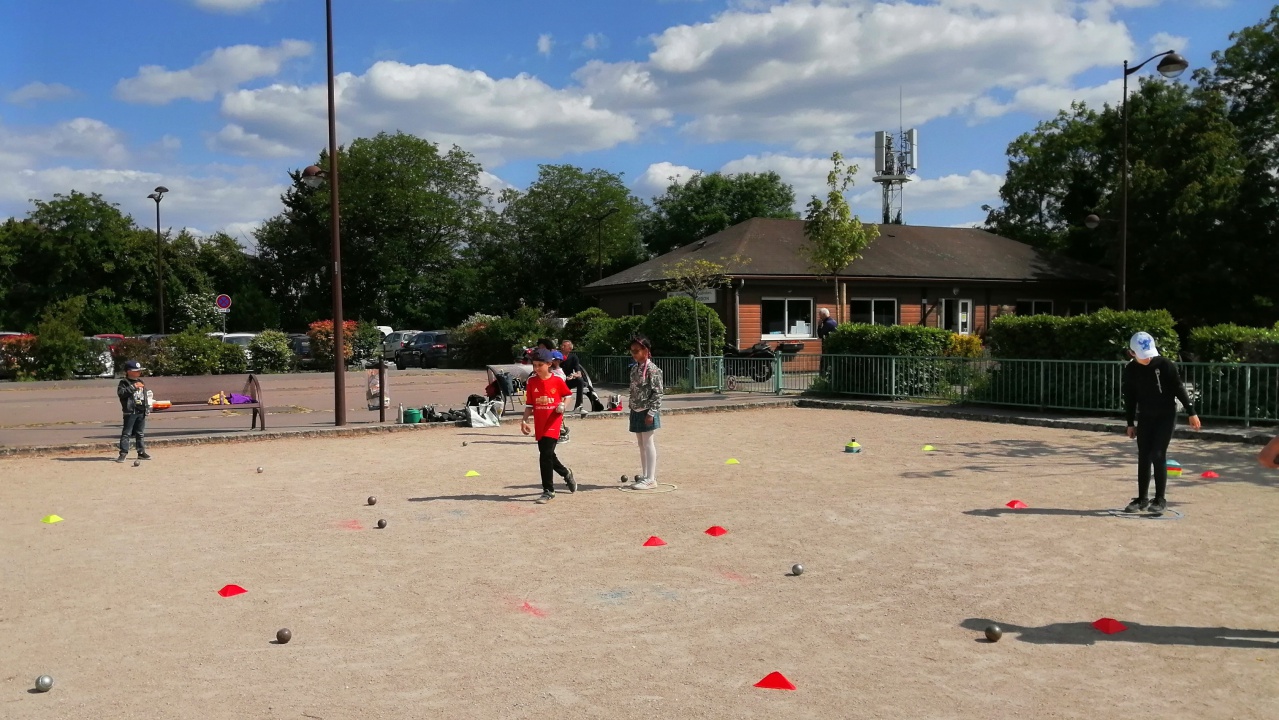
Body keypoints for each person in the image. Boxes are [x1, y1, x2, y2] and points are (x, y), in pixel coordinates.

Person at [1122, 331, 1201, 513]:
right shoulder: (1131, 370)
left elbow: (1178, 388)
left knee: (1157, 454)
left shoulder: (1165, 365)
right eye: (1142, 356)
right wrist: (1130, 423)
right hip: (1145, 416)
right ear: (1131, 353)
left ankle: (1160, 499)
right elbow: (1130, 398)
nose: (1147, 359)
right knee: (1143, 455)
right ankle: (1142, 499)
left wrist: (1192, 412)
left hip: (1165, 415)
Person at [521, 348, 576, 504]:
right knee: (548, 455)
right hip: (540, 422)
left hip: (554, 421)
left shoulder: (557, 380)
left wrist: (563, 406)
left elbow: (568, 396)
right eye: (534, 365)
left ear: (549, 364)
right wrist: (524, 420)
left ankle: (548, 490)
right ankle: (566, 473)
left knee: (545, 455)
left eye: (540, 365)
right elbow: (530, 404)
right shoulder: (531, 382)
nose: (537, 368)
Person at [624, 334, 664, 490]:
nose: (634, 354)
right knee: (641, 444)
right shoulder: (635, 368)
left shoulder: (653, 370)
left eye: (637, 351)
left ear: (646, 350)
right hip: (636, 409)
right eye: (632, 351)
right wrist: (632, 403)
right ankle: (645, 474)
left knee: (648, 443)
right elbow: (633, 388)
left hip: (647, 410)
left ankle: (651, 478)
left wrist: (651, 413)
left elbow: (658, 392)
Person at [116, 360, 151, 462]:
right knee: (126, 433)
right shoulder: (123, 382)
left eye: (139, 371)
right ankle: (123, 453)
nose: (139, 373)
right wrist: (132, 387)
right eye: (136, 371)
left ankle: (141, 452)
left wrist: (147, 407)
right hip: (130, 411)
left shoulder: (141, 381)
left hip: (141, 410)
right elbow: (121, 393)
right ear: (129, 371)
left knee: (140, 433)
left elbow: (144, 395)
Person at [560, 339, 604, 412]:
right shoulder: (557, 356)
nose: (562, 347)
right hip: (558, 380)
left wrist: (573, 376)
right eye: (562, 345)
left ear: (570, 348)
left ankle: (578, 405)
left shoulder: (573, 357)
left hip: (567, 380)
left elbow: (579, 373)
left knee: (580, 380)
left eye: (564, 346)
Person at [550, 350, 570, 443]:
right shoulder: (552, 371)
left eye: (553, 360)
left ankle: (563, 433)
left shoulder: (559, 373)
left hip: (558, 397)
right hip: (552, 397)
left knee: (559, 415)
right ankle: (555, 433)